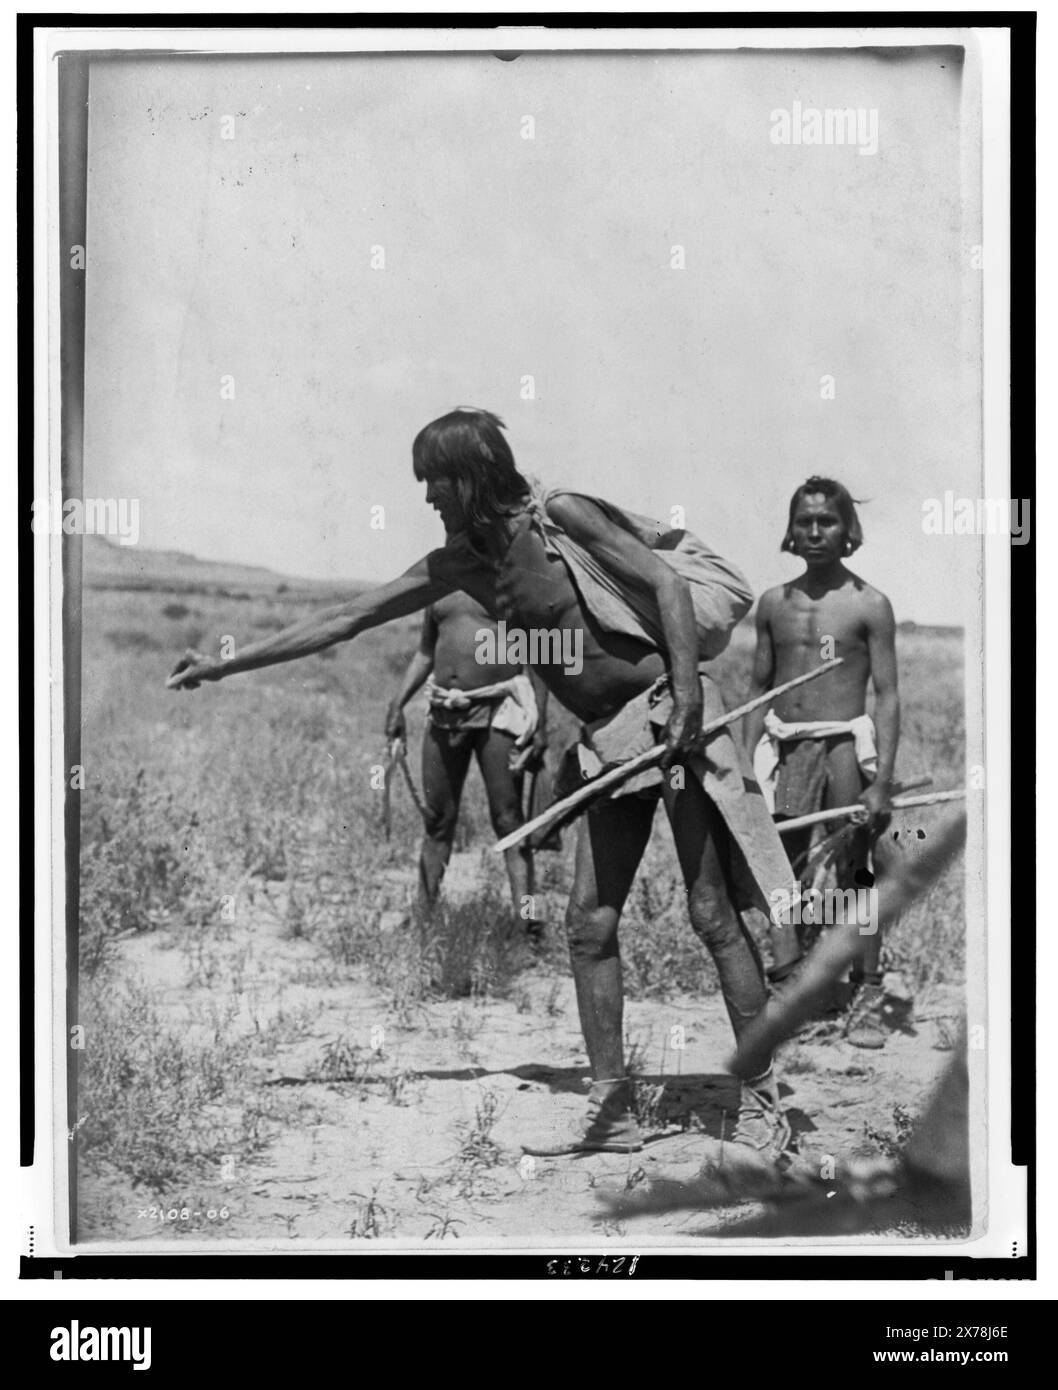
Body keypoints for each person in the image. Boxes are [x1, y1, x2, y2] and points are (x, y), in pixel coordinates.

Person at [169, 408, 797, 1160]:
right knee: (588, 925)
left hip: (670, 714)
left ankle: (762, 1100)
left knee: (711, 913)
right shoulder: (460, 568)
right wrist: (221, 664)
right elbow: (348, 617)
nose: (429, 499)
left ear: (469, 476)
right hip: (606, 744)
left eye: (435, 483)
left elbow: (663, 583)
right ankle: (611, 1111)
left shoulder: (560, 516)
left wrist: (691, 701)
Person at [742, 477, 900, 1049]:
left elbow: (887, 695)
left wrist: (878, 781)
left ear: (848, 530)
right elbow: (757, 691)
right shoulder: (773, 604)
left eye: (826, 522)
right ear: (790, 529)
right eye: (804, 522)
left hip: (841, 748)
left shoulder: (869, 604)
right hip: (785, 751)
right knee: (780, 865)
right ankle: (791, 983)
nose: (814, 533)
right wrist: (742, 773)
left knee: (857, 869)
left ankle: (867, 994)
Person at [383, 591, 549, 936]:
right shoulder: (441, 584)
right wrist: (398, 704)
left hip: (500, 712)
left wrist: (541, 722)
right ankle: (424, 918)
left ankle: (527, 922)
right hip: (445, 713)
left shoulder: (505, 583)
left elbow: (537, 656)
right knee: (438, 820)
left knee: (509, 821)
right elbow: (426, 651)